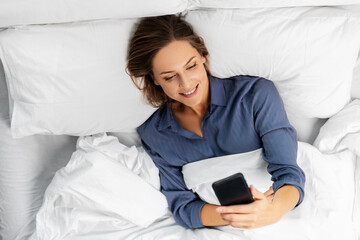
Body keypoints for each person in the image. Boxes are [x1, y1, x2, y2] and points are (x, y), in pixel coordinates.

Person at [126, 14, 305, 229]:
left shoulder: (254, 95)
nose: (186, 84)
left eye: (191, 66)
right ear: (154, 79)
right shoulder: (155, 133)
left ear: (203, 56)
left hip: (279, 212)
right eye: (169, 77)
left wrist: (270, 211)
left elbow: (289, 174)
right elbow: (183, 207)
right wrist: (238, 215)